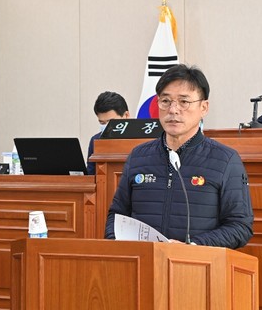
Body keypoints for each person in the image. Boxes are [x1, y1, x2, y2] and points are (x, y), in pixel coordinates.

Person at [104, 64, 254, 249]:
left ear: (204, 107)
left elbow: (240, 226)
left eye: (184, 102)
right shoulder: (138, 156)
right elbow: (117, 216)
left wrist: (194, 246)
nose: (173, 110)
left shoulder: (225, 160)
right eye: (165, 101)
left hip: (196, 268)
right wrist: (121, 246)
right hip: (143, 265)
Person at [87, 91, 130, 175]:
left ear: (126, 115)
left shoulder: (142, 139)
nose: (106, 127)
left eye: (110, 122)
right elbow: (90, 174)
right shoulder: (95, 140)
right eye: (102, 123)